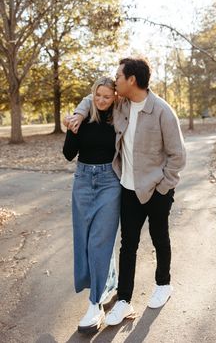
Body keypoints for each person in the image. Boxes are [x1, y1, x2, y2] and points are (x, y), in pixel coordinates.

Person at [68, 57, 186, 326]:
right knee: (128, 245)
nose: (115, 79)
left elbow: (178, 156)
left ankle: (163, 284)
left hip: (156, 189)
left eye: (119, 75)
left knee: (159, 237)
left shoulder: (162, 111)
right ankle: (124, 301)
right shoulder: (121, 104)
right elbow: (93, 98)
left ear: (131, 80)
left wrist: (164, 188)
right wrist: (78, 112)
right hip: (127, 188)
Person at [63, 76, 121, 333]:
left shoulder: (119, 118)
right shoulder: (84, 116)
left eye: (106, 97)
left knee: (100, 240)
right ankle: (108, 285)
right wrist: (72, 127)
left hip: (110, 182)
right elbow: (68, 154)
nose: (101, 100)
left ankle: (94, 303)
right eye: (97, 96)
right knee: (86, 241)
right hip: (83, 181)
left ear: (115, 97)